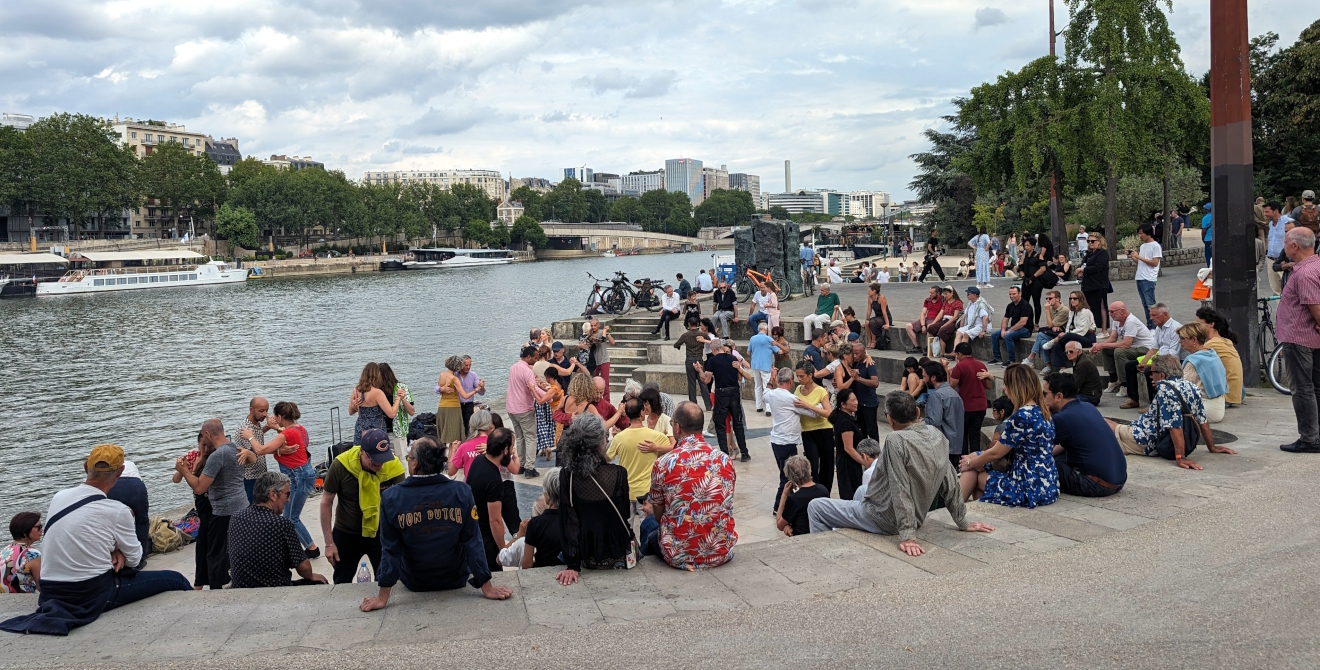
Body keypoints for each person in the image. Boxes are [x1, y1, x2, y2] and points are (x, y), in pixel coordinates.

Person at [0, 445, 191, 635]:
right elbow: (134, 559)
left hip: (51, 592)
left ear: (85, 467)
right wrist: (118, 551)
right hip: (90, 595)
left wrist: (113, 549)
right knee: (175, 579)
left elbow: (76, 536)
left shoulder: (59, 497)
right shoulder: (118, 511)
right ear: (121, 472)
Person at [808, 391, 993, 555]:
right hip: (912, 516)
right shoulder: (936, 434)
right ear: (918, 413)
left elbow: (900, 487)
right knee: (862, 492)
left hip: (886, 519)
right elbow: (950, 482)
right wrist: (962, 521)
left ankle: (824, 556)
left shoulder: (895, 440)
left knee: (816, 506)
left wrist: (907, 536)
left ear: (890, 420)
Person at [358, 438, 512, 611]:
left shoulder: (391, 497)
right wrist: (487, 586)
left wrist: (382, 597)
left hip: (414, 581)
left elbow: (391, 549)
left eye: (409, 458)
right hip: (455, 578)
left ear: (415, 463)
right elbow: (472, 542)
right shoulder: (462, 492)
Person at [641, 402, 737, 570]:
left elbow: (658, 516)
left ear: (677, 428)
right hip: (721, 551)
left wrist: (653, 510)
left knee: (648, 525)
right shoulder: (725, 460)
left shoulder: (663, 463)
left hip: (679, 556)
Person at [1106, 355, 1238, 468]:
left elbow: (1175, 425)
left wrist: (1180, 457)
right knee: (1108, 424)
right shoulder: (1191, 387)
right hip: (1153, 435)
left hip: (1146, 440)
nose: (1151, 376)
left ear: (1162, 375)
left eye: (1152, 372)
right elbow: (1202, 420)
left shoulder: (1165, 390)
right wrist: (1212, 447)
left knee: (1100, 421)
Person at [958, 364, 1059, 507]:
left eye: (1006, 383)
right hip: (1047, 484)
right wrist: (973, 458)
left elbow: (995, 454)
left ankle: (955, 511)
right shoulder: (1042, 412)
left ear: (1015, 386)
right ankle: (972, 510)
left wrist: (969, 463)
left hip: (1027, 488)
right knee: (975, 457)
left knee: (972, 470)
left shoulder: (1021, 416)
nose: (1003, 387)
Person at [319, 428, 406, 584]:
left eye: (382, 461)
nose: (379, 466)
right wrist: (329, 543)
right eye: (373, 461)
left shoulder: (394, 467)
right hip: (347, 532)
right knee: (342, 580)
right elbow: (326, 502)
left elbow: (402, 503)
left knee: (388, 579)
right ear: (362, 452)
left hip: (381, 533)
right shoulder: (341, 465)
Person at [555, 414, 635, 584]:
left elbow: (569, 521)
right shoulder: (619, 473)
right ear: (600, 442)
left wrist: (572, 565)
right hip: (617, 552)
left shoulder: (567, 476)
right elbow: (625, 512)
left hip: (585, 555)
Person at [175, 418, 249, 589]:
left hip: (224, 511)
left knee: (215, 555)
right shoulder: (235, 448)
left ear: (207, 434)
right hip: (241, 504)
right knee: (235, 549)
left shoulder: (218, 455)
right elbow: (251, 459)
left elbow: (200, 488)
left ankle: (216, 591)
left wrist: (185, 471)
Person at [227, 472, 329, 588]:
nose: (288, 500)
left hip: (241, 587)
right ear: (273, 495)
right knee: (320, 582)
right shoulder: (281, 524)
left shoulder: (236, 517)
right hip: (274, 589)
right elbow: (304, 568)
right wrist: (311, 576)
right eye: (287, 494)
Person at [1042, 374, 1126, 497]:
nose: (1041, 398)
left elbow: (1038, 449)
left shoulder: (1062, 418)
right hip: (1118, 480)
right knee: (1059, 455)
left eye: (1044, 394)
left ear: (1059, 396)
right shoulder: (1088, 406)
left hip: (1096, 484)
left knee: (1042, 465)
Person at [255, 401, 319, 557]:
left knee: (291, 518)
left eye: (275, 417)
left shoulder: (287, 434)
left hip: (297, 478)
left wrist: (250, 437)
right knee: (289, 517)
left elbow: (261, 450)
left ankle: (311, 548)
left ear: (279, 417)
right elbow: (292, 447)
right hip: (305, 474)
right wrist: (279, 449)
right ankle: (296, 547)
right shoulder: (300, 429)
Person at [1276, 226, 1320, 452]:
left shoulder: (1304, 273)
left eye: (1285, 243)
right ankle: (1316, 434)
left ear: (1294, 246)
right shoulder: (1316, 264)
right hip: (1311, 337)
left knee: (1302, 389)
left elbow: (1315, 306)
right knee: (1316, 387)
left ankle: (1309, 438)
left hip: (1299, 337)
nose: (1283, 247)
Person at [763, 368, 820, 510]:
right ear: (790, 381)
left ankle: (788, 502)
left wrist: (771, 380)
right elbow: (813, 414)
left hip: (776, 441)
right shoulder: (791, 398)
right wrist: (820, 404)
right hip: (787, 442)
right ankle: (779, 506)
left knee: (786, 473)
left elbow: (765, 394)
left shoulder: (772, 394)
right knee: (787, 477)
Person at [606, 399, 670, 521]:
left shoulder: (619, 438)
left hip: (625, 491)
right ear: (642, 414)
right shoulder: (656, 436)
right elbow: (672, 450)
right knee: (647, 526)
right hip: (646, 492)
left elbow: (607, 458)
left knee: (626, 528)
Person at [696, 338, 753, 461]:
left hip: (721, 394)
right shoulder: (733, 359)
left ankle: (724, 453)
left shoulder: (712, 360)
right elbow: (739, 377)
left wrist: (700, 370)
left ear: (713, 349)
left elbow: (706, 380)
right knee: (737, 424)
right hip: (734, 392)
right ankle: (744, 452)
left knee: (720, 424)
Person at [1121, 303, 1183, 410]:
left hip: (1173, 361)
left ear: (1165, 314)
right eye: (1150, 315)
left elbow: (1173, 354)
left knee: (1150, 371)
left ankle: (1153, 404)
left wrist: (1152, 364)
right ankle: (1134, 399)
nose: (1151, 318)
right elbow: (1154, 348)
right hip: (1161, 358)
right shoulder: (1159, 328)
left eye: (1154, 315)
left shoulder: (1176, 328)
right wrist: (1143, 362)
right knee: (1130, 366)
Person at [1092, 301, 1154, 396]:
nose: (1110, 314)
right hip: (1133, 347)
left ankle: (1125, 384)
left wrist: (1102, 345)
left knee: (1119, 352)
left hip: (1145, 348)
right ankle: (1113, 380)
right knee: (1106, 349)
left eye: (1112, 312)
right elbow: (1113, 338)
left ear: (1122, 311)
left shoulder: (1131, 321)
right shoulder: (1116, 321)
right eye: (1109, 312)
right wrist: (1098, 346)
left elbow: (1126, 344)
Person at [947, 342, 992, 461]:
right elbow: (988, 385)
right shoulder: (981, 365)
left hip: (966, 406)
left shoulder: (960, 367)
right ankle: (976, 461)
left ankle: (963, 462)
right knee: (975, 435)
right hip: (981, 406)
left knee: (963, 435)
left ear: (959, 354)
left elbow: (951, 386)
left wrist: (946, 370)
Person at [1177, 323, 1230, 423]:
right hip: (1218, 404)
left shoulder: (1194, 361)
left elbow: (1183, 389)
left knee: (1167, 407)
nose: (1180, 341)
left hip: (1206, 408)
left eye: (1182, 338)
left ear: (1194, 340)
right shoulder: (1211, 353)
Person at [1196, 306, 1244, 407]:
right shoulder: (1225, 341)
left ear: (1211, 324)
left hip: (1227, 396)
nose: (1197, 328)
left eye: (1200, 324)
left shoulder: (1212, 345)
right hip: (1238, 392)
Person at [920, 361, 964, 469]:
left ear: (933, 377)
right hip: (956, 445)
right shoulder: (954, 393)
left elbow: (933, 422)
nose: (923, 380)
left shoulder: (936, 395)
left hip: (943, 446)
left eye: (925, 377)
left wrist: (920, 422)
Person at [506, 345, 541, 478]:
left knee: (520, 437)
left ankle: (520, 464)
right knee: (531, 437)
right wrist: (550, 394)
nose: (536, 360)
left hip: (511, 408)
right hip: (524, 408)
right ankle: (530, 467)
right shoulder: (527, 371)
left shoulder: (513, 368)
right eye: (535, 358)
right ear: (528, 357)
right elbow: (534, 389)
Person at [106, 460, 149, 567]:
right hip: (136, 486)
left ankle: (112, 558)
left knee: (110, 522)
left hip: (115, 486)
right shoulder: (130, 463)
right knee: (142, 521)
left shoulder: (106, 467)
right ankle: (141, 558)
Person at [521, 468, 566, 570]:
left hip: (542, 570)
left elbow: (526, 564)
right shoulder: (575, 520)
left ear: (547, 496)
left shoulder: (535, 523)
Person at [232, 396, 274, 502]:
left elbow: (256, 437)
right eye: (261, 411)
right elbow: (256, 449)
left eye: (266, 410)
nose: (265, 414)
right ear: (251, 409)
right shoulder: (246, 429)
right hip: (249, 476)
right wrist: (276, 448)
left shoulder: (256, 423)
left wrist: (267, 427)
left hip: (260, 473)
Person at [775, 456, 828, 537]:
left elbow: (780, 524)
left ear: (791, 478)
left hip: (802, 538)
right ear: (809, 469)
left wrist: (784, 495)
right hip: (822, 534)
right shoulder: (823, 490)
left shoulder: (794, 499)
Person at [838, 342, 880, 440]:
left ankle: (875, 453)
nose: (855, 356)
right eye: (854, 353)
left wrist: (858, 378)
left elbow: (875, 383)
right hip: (858, 403)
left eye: (857, 353)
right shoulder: (855, 363)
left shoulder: (869, 364)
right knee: (861, 429)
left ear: (863, 353)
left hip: (869, 403)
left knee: (872, 430)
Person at [354, 364, 403, 446]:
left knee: (362, 455)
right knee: (378, 455)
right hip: (376, 432)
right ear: (376, 375)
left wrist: (353, 405)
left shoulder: (356, 391)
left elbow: (351, 411)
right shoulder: (377, 393)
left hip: (361, 430)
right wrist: (398, 398)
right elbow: (391, 414)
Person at [1048, 292, 1097, 373]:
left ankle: (1053, 341)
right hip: (1075, 335)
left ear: (1080, 300)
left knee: (1068, 336)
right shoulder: (1072, 311)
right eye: (1070, 298)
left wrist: (1066, 335)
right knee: (1058, 345)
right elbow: (1068, 326)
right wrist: (1066, 334)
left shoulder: (1085, 312)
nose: (1072, 300)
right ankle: (1061, 368)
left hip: (1087, 337)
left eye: (1074, 299)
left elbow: (1082, 330)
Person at [828, 388, 864, 500]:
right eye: (852, 400)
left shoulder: (847, 417)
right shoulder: (845, 422)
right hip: (848, 463)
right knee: (851, 493)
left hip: (849, 461)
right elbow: (848, 448)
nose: (856, 402)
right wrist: (865, 463)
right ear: (843, 404)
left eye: (856, 399)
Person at [1127, 224, 1163, 327]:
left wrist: (1139, 256)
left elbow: (1155, 262)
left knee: (1150, 304)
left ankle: (1155, 326)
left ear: (1148, 233)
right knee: (1144, 304)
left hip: (1148, 278)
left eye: (1141, 233)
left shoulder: (1155, 246)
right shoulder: (1143, 246)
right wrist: (1133, 257)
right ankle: (1150, 325)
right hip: (1140, 277)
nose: (1140, 235)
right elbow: (1140, 262)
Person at [673, 316, 712, 409]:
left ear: (689, 325)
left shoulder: (686, 335)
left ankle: (693, 405)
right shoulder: (703, 335)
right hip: (699, 359)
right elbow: (711, 342)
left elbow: (676, 344)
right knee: (702, 382)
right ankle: (708, 405)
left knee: (692, 383)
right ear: (698, 324)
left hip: (690, 359)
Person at [989, 286, 1034, 366]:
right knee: (994, 335)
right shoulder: (1010, 305)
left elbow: (1023, 322)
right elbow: (1006, 319)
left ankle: (1011, 360)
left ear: (1020, 294)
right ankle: (997, 358)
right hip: (1014, 328)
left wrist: (1009, 331)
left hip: (1025, 330)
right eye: (1010, 294)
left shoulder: (1025, 305)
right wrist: (1003, 330)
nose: (1012, 296)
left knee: (1008, 336)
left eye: (1014, 294)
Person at [1024, 290, 1068, 368]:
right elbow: (1048, 324)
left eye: (1050, 298)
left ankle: (1030, 358)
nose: (1048, 300)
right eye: (1046, 298)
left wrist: (1047, 311)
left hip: (1062, 334)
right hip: (1053, 333)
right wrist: (1052, 325)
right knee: (1043, 342)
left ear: (1057, 299)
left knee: (1040, 335)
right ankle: (1048, 366)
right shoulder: (1051, 308)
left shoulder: (1064, 310)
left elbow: (1050, 324)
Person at [1, 513, 42, 593]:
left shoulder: (5, 550)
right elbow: (41, 585)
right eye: (38, 527)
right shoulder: (32, 553)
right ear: (25, 532)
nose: (41, 530)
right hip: (24, 600)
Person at [1080, 235, 1112, 331]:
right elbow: (1083, 264)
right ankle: (1091, 329)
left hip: (1099, 283)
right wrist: (1081, 272)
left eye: (1093, 241)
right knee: (1088, 307)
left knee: (1101, 306)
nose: (1090, 243)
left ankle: (1104, 330)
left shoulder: (1102, 253)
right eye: (1088, 241)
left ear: (1099, 241)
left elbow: (1097, 267)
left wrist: (1083, 270)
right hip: (1087, 284)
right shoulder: (1089, 254)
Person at [1263, 201, 1293, 296]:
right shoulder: (1271, 224)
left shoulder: (1289, 222)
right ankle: (1279, 310)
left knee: (1288, 289)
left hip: (1284, 260)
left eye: (1267, 212)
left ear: (1275, 211)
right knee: (1276, 291)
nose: (1265, 214)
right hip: (1271, 259)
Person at [905, 285, 945, 354]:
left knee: (930, 327)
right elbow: (923, 313)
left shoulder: (943, 300)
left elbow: (941, 314)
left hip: (936, 320)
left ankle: (927, 347)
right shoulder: (927, 300)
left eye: (932, 293)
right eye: (930, 293)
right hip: (927, 319)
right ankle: (916, 346)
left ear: (938, 293)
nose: (930, 295)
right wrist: (923, 325)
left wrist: (932, 323)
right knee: (908, 326)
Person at [585, 319, 616, 402]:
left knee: (605, 383)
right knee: (594, 383)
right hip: (594, 362)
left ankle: (606, 402)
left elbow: (613, 342)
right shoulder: (590, 336)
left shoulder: (603, 332)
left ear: (598, 325)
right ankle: (595, 400)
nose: (593, 327)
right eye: (591, 325)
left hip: (604, 360)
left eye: (595, 325)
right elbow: (599, 341)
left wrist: (606, 333)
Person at [748, 323, 776, 416]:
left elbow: (748, 352)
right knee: (767, 386)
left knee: (758, 386)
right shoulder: (769, 339)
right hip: (765, 365)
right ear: (766, 329)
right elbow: (777, 350)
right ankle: (768, 409)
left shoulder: (752, 338)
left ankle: (759, 406)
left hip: (755, 364)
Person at [952, 286, 992, 350]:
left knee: (966, 334)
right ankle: (955, 351)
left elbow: (985, 318)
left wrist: (984, 331)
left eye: (968, 294)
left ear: (974, 295)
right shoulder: (970, 303)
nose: (967, 295)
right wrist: (961, 327)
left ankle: (961, 352)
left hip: (980, 326)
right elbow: (964, 315)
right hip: (971, 325)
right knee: (959, 332)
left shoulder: (981, 304)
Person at [1019, 236, 1047, 324]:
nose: (1026, 247)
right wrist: (1024, 278)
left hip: (1036, 282)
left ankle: (1036, 323)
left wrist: (1032, 278)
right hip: (1026, 281)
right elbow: (1020, 268)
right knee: (1024, 302)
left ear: (1033, 246)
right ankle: (1027, 321)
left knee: (1036, 302)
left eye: (1028, 245)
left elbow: (1043, 268)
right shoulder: (1024, 256)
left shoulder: (1039, 255)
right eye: (1025, 245)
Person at [1066, 341, 1104, 405]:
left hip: (1090, 397)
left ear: (1079, 351)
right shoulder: (1079, 361)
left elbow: (1076, 384)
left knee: (1061, 401)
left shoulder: (1083, 363)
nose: (1068, 354)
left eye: (1071, 351)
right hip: (1087, 394)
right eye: (1066, 352)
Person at [457, 356, 487, 433]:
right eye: (466, 365)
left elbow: (481, 392)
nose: (468, 367)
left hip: (468, 404)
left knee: (468, 427)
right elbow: (437, 388)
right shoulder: (455, 374)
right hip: (456, 404)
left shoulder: (473, 375)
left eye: (470, 365)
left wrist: (482, 387)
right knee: (457, 427)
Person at [934, 286, 963, 356]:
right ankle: (930, 349)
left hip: (953, 321)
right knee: (932, 327)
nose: (945, 296)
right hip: (945, 319)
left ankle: (942, 352)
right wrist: (933, 322)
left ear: (952, 293)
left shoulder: (958, 303)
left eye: (946, 294)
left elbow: (955, 317)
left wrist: (944, 325)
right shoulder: (946, 302)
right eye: (944, 294)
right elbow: (941, 313)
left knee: (943, 330)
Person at [865, 282, 891, 349]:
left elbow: (884, 311)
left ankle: (874, 341)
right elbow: (869, 310)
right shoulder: (870, 298)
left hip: (885, 317)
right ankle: (869, 341)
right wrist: (866, 319)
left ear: (874, 291)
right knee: (867, 322)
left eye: (869, 291)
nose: (868, 292)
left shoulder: (881, 298)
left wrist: (887, 323)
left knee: (873, 322)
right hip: (877, 317)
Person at [1200, 202, 1213, 267]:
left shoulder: (1205, 218)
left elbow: (1204, 230)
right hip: (1216, 239)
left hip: (1208, 239)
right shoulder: (1217, 216)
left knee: (1208, 256)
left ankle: (1210, 268)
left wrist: (1203, 238)